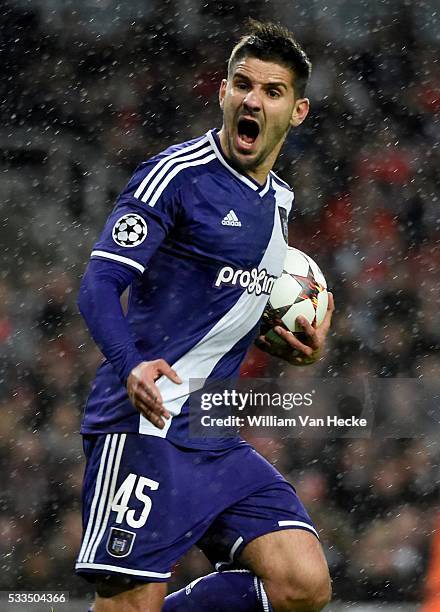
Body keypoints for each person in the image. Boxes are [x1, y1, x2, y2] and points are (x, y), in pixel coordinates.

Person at [75, 19, 334, 612]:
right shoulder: (178, 176)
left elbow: (226, 305)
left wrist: (292, 343)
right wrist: (132, 365)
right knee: (127, 604)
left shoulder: (279, 205)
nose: (252, 99)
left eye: (272, 92)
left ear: (297, 112)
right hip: (142, 427)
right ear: (222, 92)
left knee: (302, 581)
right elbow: (99, 283)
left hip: (210, 436)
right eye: (242, 84)